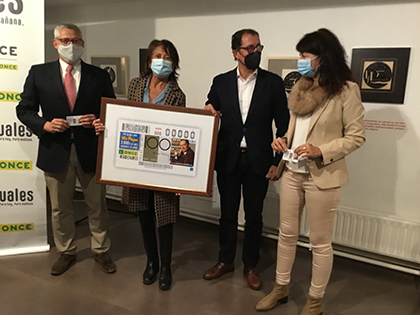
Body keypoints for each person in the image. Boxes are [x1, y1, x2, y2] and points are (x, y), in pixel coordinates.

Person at [255, 28, 365, 315]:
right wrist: (283, 141)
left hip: (323, 176)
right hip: (291, 171)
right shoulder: (300, 86)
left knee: (319, 243)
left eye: (305, 55)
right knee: (286, 235)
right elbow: (295, 130)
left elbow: (357, 136)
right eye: (299, 55)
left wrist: (321, 150)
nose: (300, 60)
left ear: (322, 56)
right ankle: (280, 288)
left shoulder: (346, 90)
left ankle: (315, 301)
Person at [16, 24, 117, 276]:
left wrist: (97, 119)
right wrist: (45, 125)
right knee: (61, 206)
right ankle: (67, 251)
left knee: (98, 204)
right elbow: (24, 109)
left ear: (82, 43)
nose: (71, 45)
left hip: (90, 149)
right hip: (55, 149)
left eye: (76, 41)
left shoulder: (99, 75)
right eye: (65, 40)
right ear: (55, 43)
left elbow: (111, 109)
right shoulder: (39, 73)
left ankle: (101, 249)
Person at [94, 39, 185, 291]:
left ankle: (166, 266)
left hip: (163, 165)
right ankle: (152, 262)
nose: (162, 62)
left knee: (164, 217)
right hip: (135, 162)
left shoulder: (178, 94)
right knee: (143, 213)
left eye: (168, 57)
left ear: (174, 63)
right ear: (149, 61)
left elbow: (179, 134)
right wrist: (106, 125)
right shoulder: (135, 85)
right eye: (158, 56)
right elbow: (124, 118)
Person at [202, 29, 290, 290]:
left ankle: (250, 265)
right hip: (228, 158)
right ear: (235, 53)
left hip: (259, 161)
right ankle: (225, 260)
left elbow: (283, 126)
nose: (255, 53)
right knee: (227, 215)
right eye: (249, 48)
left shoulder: (272, 83)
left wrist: (278, 161)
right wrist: (208, 110)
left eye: (258, 47)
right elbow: (210, 108)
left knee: (254, 216)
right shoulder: (220, 82)